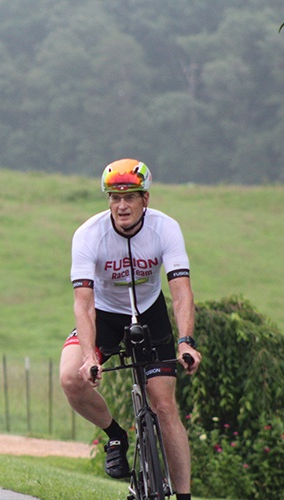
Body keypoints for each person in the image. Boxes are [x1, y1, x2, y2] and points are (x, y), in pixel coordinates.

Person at [59, 159, 202, 500]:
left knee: (164, 406)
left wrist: (185, 342)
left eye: (130, 197)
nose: (121, 206)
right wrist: (91, 354)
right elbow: (83, 303)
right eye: (114, 197)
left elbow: (181, 291)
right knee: (70, 377)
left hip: (151, 314)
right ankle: (115, 435)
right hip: (105, 316)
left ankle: (183, 496)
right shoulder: (88, 234)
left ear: (145, 199)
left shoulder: (165, 229)